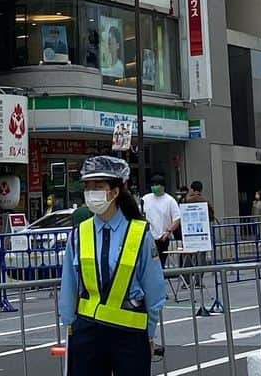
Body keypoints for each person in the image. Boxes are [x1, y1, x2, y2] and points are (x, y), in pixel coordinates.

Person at [59, 156, 166, 374]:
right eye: (88, 188)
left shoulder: (140, 233)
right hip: (86, 333)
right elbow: (69, 285)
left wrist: (150, 332)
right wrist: (70, 327)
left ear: (115, 192)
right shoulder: (79, 234)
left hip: (130, 333)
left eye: (98, 187)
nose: (91, 193)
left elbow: (154, 288)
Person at [141, 174, 181, 265]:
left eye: (156, 185)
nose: (154, 187)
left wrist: (168, 232)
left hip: (161, 238)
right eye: (152, 185)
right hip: (148, 238)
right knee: (148, 264)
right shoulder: (145, 199)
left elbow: (177, 219)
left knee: (160, 264)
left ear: (162, 186)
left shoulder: (170, 200)